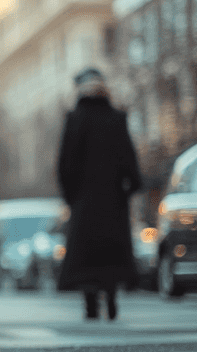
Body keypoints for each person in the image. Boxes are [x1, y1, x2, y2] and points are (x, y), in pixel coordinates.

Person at [57, 68, 142, 320]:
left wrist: (71, 196)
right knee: (111, 255)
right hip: (113, 200)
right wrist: (130, 188)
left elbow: (65, 165)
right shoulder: (116, 118)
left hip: (84, 201)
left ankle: (90, 304)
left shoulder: (75, 119)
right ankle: (112, 297)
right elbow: (129, 159)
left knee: (87, 257)